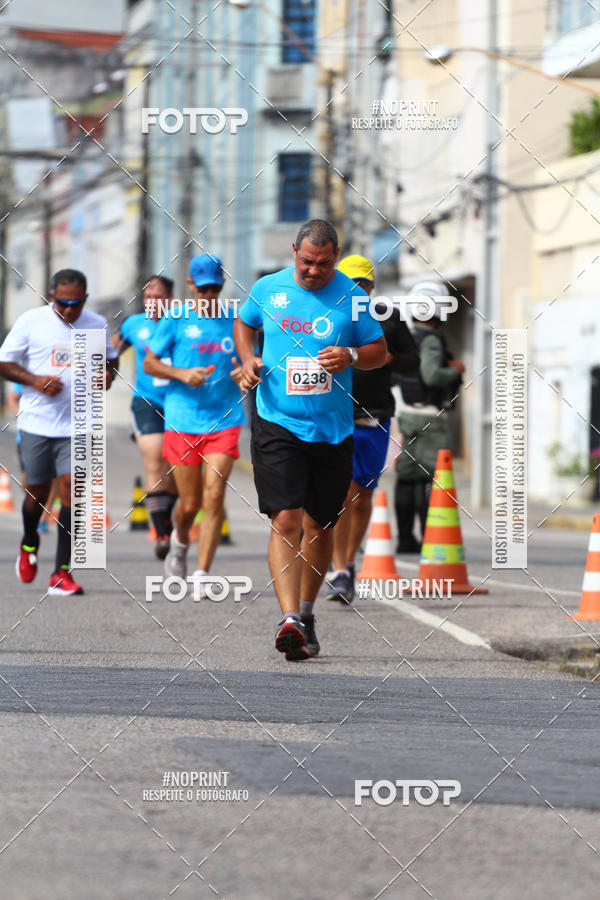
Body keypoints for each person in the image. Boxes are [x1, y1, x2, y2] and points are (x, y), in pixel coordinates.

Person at [233, 219, 387, 662]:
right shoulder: (268, 289)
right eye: (306, 262)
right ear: (293, 252)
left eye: (322, 264)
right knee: (285, 519)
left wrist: (352, 354)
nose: (313, 271)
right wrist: (247, 360)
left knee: (321, 524)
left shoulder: (353, 298)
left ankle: (306, 612)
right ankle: (290, 620)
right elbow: (244, 325)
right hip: (276, 420)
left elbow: (379, 353)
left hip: (333, 429)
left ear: (334, 259)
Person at [0, 268, 118, 594]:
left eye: (75, 304)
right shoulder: (31, 321)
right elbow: (4, 363)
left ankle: (62, 572)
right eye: (61, 303)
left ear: (85, 300)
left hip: (79, 423)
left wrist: (107, 376)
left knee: (73, 491)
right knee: (36, 494)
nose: (68, 310)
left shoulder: (96, 323)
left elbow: (111, 361)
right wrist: (35, 380)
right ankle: (28, 542)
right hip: (37, 423)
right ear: (51, 296)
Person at [143, 253, 244, 586]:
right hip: (183, 420)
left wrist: (245, 370)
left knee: (215, 496)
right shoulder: (175, 318)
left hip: (224, 419)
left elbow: (249, 358)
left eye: (215, 288)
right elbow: (150, 364)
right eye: (203, 289)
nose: (209, 295)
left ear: (222, 285)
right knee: (190, 503)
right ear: (190, 285)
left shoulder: (235, 318)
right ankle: (180, 541)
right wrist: (182, 373)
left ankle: (202, 573)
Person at [326, 255, 419, 604]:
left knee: (362, 494)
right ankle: (341, 570)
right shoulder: (328, 317)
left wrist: (386, 356)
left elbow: (413, 362)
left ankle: (348, 562)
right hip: (335, 417)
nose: (356, 291)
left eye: (362, 285)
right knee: (340, 494)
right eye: (349, 284)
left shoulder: (388, 319)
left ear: (371, 287)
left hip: (375, 417)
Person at [394, 280, 465, 552]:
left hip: (408, 414)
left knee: (407, 477)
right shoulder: (432, 339)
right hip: (430, 420)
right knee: (433, 479)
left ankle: (404, 538)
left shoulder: (408, 337)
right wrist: (456, 370)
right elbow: (432, 375)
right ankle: (430, 537)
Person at [113, 275, 178, 559]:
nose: (152, 302)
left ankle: (168, 515)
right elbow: (110, 349)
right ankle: (162, 533)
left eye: (158, 297)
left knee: (177, 470)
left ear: (170, 299)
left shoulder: (183, 322)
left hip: (180, 404)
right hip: (146, 401)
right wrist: (104, 368)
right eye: (148, 297)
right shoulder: (133, 324)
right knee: (154, 463)